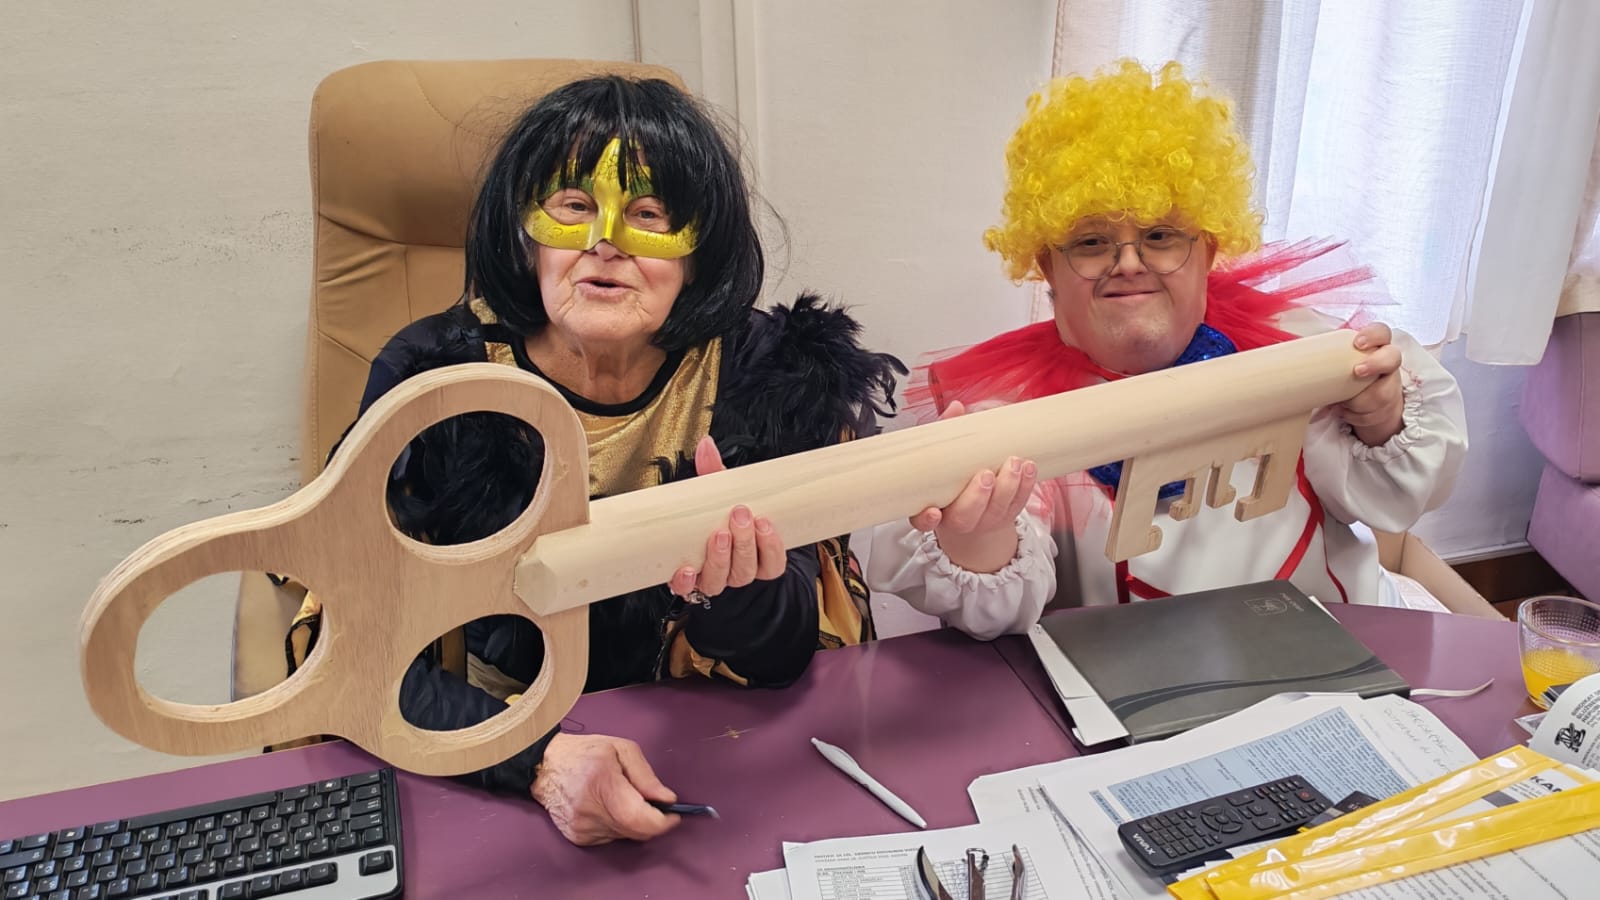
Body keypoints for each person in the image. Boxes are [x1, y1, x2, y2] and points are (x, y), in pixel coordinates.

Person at [283, 75, 904, 846]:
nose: (606, 242)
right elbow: (354, 647)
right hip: (490, 744)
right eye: (574, 206)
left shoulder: (766, 375)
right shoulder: (433, 380)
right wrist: (537, 764)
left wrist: (741, 591)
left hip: (717, 745)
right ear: (526, 236)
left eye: (648, 215)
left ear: (697, 253)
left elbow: (783, 657)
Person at [867, 59, 1467, 638]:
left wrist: (1381, 422)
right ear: (1047, 266)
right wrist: (979, 539)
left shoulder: (1301, 349)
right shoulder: (1009, 414)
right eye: (1092, 241)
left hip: (1338, 653)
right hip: (1134, 689)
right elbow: (995, 613)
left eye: (1159, 235)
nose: (1129, 263)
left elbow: (1401, 499)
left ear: (1208, 252)